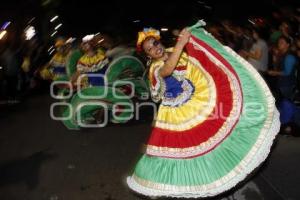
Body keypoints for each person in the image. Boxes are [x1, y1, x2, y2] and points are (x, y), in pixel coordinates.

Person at [127, 24, 280, 198]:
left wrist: (192, 40)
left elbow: (196, 65)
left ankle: (220, 177)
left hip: (196, 100)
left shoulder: (173, 51)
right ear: (148, 56)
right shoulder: (155, 68)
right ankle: (192, 186)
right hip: (178, 115)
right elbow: (167, 69)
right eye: (150, 49)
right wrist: (180, 44)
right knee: (186, 151)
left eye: (155, 43)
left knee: (217, 137)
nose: (155, 49)